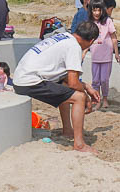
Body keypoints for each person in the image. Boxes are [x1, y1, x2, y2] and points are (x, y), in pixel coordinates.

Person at [12, 22, 101, 154]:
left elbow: (66, 80)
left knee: (65, 88)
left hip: (21, 78)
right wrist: (87, 97)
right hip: (29, 82)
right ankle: (79, 144)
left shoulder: (64, 37)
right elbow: (73, 82)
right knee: (79, 98)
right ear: (91, 41)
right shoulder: (74, 47)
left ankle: (67, 131)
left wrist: (87, 86)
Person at [88, 0, 120, 109]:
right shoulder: (90, 23)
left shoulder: (108, 21)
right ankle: (97, 100)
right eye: (94, 10)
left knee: (104, 79)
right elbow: (87, 39)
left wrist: (116, 53)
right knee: (95, 80)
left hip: (106, 56)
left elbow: (114, 37)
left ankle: (105, 99)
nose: (97, 13)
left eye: (99, 10)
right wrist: (83, 52)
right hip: (95, 57)